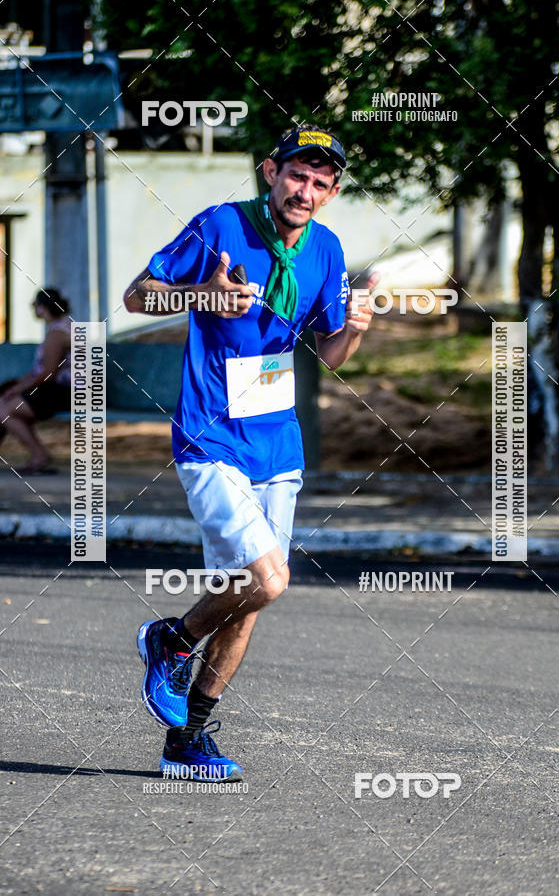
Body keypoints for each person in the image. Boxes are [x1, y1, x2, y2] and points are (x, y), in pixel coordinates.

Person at [124, 125, 374, 781]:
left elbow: (329, 353)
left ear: (333, 191)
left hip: (277, 442)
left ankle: (187, 741)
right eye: (297, 174)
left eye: (321, 182)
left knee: (246, 594)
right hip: (210, 436)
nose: (307, 190)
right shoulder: (220, 226)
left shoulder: (325, 249)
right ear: (271, 172)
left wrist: (357, 328)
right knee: (267, 580)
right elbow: (137, 295)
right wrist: (205, 295)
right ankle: (171, 640)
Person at [0, 288, 71, 474]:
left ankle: (40, 455)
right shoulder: (63, 326)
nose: (34, 310)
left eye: (35, 305)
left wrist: (18, 389)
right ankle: (39, 455)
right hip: (62, 388)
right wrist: (17, 385)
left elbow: (48, 373)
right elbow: (39, 371)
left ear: (42, 308)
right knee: (4, 393)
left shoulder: (57, 334)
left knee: (5, 410)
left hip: (67, 392)